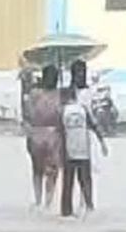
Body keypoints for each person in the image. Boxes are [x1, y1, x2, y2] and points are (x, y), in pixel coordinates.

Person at [59, 86, 107, 217]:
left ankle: (66, 211)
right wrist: (103, 143)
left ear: (63, 98)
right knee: (85, 180)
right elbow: (95, 126)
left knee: (67, 183)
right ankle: (89, 206)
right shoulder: (83, 110)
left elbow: (59, 133)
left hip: (68, 151)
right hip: (83, 150)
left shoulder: (62, 111)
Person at [24, 64, 63, 208]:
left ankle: (47, 200)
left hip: (52, 135)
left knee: (51, 170)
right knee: (38, 169)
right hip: (39, 134)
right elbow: (29, 114)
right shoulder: (36, 94)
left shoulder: (59, 94)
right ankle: (40, 199)